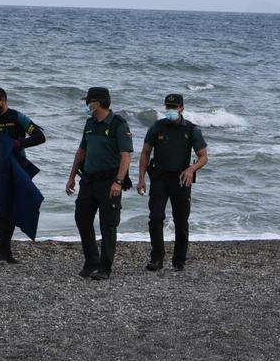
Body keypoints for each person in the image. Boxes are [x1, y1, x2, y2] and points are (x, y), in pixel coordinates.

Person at [65, 86, 133, 280]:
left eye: (89, 101)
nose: (87, 105)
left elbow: (126, 156)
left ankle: (105, 267)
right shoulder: (90, 123)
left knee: (108, 225)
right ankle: (91, 261)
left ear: (99, 102)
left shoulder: (118, 124)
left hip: (109, 182)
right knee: (82, 218)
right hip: (88, 180)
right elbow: (81, 152)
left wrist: (118, 181)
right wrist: (71, 177)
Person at [138, 93, 209, 271]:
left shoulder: (192, 129)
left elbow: (203, 157)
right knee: (155, 217)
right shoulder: (157, 127)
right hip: (159, 177)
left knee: (181, 221)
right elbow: (145, 153)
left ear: (182, 108)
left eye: (174, 108)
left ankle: (179, 260)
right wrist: (141, 179)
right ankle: (156, 258)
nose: (170, 111)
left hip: (182, 178)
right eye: (168, 107)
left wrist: (191, 169)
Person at [0, 86, 46, 263]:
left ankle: (6, 251)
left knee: (15, 206)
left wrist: (17, 144)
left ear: (3, 101)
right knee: (1, 209)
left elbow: (39, 137)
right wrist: (1, 146)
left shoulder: (17, 117)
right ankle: (3, 250)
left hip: (19, 168)